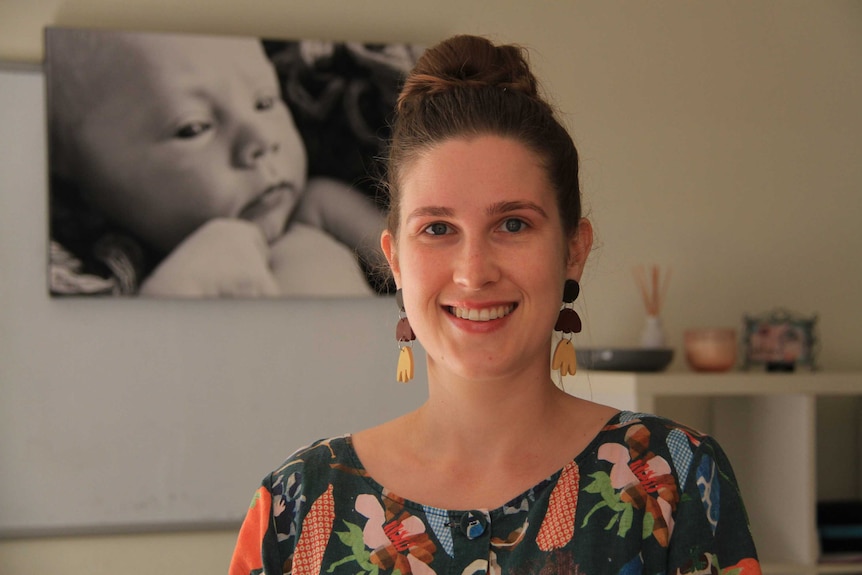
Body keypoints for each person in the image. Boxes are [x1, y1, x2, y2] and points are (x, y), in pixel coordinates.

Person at [230, 35, 761, 575]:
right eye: (437, 228)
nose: (473, 271)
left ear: (573, 250)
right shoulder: (296, 506)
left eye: (513, 224)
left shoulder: (678, 476)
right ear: (394, 260)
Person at [46, 28, 386, 297]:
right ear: (79, 174)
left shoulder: (317, 208)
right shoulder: (124, 285)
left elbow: (420, 273)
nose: (261, 140)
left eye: (264, 102)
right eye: (194, 128)